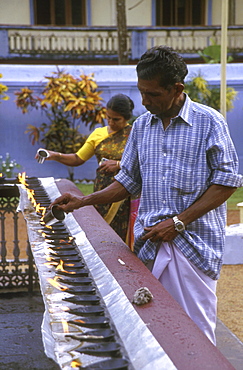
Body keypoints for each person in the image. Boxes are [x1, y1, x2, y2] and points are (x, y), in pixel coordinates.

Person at [49, 46, 242, 344]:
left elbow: (227, 183)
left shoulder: (210, 122)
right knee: (156, 334)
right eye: (142, 92)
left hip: (194, 248)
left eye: (153, 94)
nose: (145, 101)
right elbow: (127, 182)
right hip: (149, 246)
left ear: (177, 88)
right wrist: (83, 201)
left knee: (196, 338)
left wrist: (178, 222)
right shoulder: (141, 127)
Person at [36, 93, 134, 241]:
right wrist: (54, 155)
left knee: (123, 235)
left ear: (126, 118)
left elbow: (143, 163)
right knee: (101, 233)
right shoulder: (99, 134)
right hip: (102, 189)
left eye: (116, 119)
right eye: (108, 118)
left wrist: (119, 165)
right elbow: (78, 158)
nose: (111, 122)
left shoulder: (134, 135)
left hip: (126, 194)